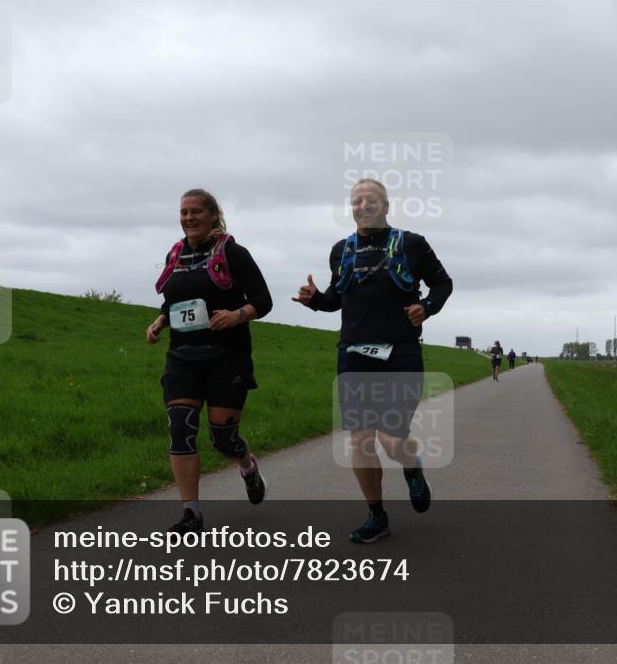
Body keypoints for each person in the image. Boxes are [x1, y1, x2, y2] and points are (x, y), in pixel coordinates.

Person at [293, 179, 453, 543]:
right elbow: (338, 297)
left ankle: (412, 468)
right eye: (356, 200)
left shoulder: (412, 244)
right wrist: (315, 298)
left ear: (385, 205)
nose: (362, 205)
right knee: (362, 440)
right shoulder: (341, 250)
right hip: (353, 355)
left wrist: (426, 307)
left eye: (370, 199)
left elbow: (443, 283)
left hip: (401, 353)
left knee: (392, 439)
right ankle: (376, 515)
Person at [147, 189, 273, 534]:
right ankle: (192, 514)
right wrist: (160, 321)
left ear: (214, 214)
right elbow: (176, 300)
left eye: (196, 212)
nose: (189, 218)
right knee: (180, 430)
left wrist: (237, 315)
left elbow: (263, 300)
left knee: (222, 437)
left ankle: (247, 467)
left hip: (226, 358)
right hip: (182, 358)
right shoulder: (178, 254)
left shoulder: (233, 253)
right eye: (184, 212)